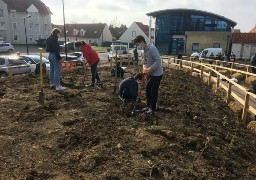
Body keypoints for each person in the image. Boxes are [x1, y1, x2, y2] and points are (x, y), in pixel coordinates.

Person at [134, 35, 163, 116]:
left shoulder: (152, 49)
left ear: (142, 42)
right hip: (150, 73)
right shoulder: (144, 52)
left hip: (157, 74)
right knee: (147, 90)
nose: (138, 47)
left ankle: (153, 110)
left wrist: (149, 69)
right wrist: (144, 72)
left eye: (138, 45)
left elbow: (158, 61)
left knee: (153, 91)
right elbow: (144, 63)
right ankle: (148, 107)